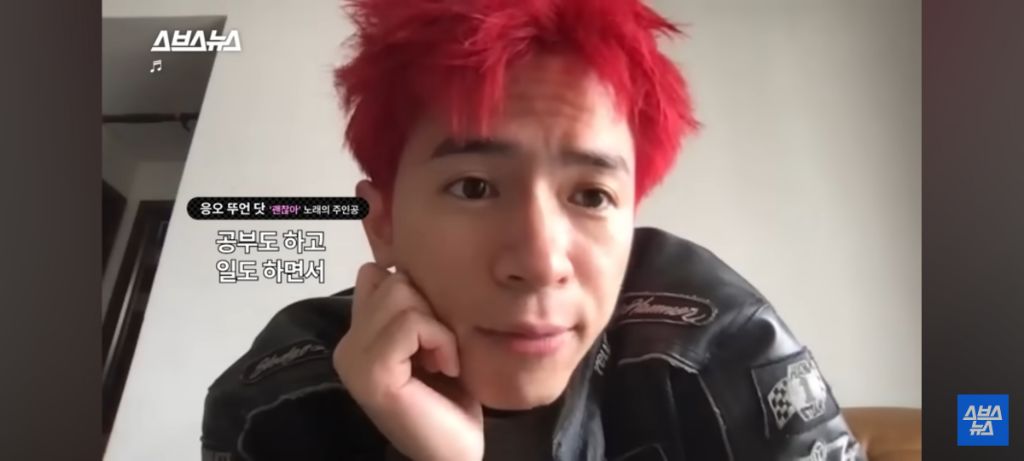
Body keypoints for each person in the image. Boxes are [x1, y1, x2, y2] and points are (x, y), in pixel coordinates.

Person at [202, 0, 866, 459]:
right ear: (385, 223)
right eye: (474, 187)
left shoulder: (714, 342)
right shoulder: (279, 402)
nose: (542, 261)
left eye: (592, 195)